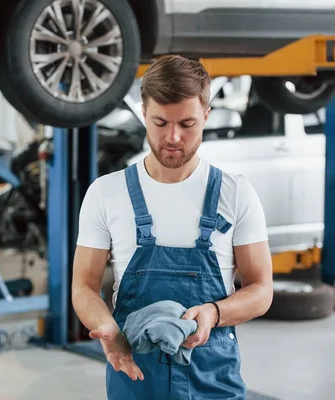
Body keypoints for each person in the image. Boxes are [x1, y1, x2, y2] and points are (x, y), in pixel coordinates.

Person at [71, 54, 274, 399]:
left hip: (212, 378)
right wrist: (106, 326)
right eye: (160, 123)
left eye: (187, 124)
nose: (174, 137)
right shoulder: (106, 193)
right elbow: (84, 288)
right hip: (134, 372)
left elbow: (261, 289)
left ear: (206, 115)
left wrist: (215, 312)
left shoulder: (235, 193)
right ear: (144, 114)